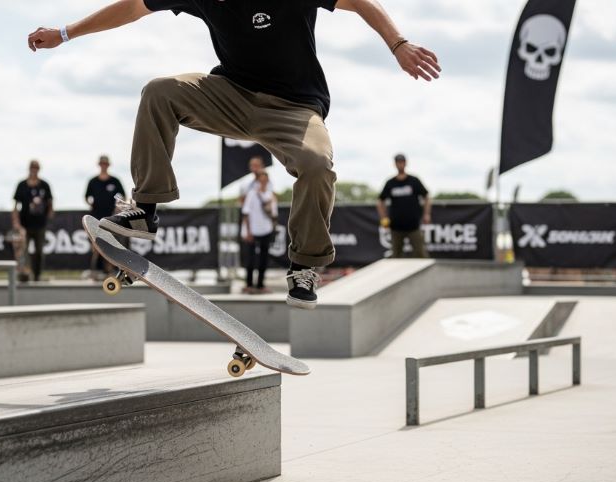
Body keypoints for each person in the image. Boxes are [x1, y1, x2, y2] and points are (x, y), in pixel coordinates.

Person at [27, 0, 440, 309]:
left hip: (294, 108)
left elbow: (361, 2)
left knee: (316, 165)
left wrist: (398, 44)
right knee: (159, 91)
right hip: (230, 96)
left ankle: (304, 265)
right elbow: (134, 7)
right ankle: (146, 209)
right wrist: (65, 33)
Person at [377, 153, 431, 258]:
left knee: (421, 255)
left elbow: (427, 197)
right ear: (395, 164)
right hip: (396, 226)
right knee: (396, 256)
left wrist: (426, 214)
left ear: (405, 163)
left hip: (414, 225)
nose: (400, 164)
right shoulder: (390, 183)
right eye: (398, 162)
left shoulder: (414, 181)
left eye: (402, 162)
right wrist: (383, 217)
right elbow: (380, 201)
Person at [85, 155, 126, 279]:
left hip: (111, 218)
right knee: (96, 246)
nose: (103, 166)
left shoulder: (114, 181)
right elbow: (87, 196)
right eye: (102, 163)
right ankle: (95, 271)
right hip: (96, 218)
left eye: (105, 164)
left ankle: (111, 271)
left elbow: (122, 196)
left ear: (108, 165)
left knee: (111, 244)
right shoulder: (93, 181)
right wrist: (91, 204)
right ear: (99, 165)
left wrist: (118, 207)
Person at [12, 160, 53, 282]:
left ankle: (37, 275)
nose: (34, 170)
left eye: (36, 168)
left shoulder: (44, 185)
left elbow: (50, 202)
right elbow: (15, 205)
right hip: (25, 224)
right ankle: (24, 273)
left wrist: (49, 215)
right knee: (23, 250)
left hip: (40, 224)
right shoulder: (22, 185)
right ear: (29, 169)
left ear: (39, 169)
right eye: (32, 168)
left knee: (39, 251)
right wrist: (16, 222)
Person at [241, 171, 278, 294]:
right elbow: (246, 213)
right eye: (260, 181)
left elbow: (274, 215)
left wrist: (270, 203)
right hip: (253, 230)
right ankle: (249, 284)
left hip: (266, 230)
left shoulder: (271, 195)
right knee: (250, 258)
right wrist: (248, 231)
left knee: (263, 259)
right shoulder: (252, 194)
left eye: (265, 181)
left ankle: (261, 284)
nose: (262, 183)